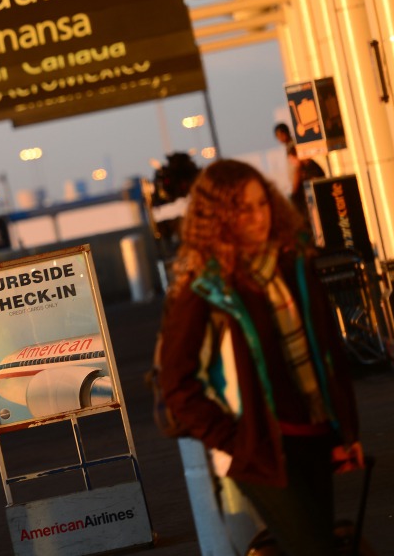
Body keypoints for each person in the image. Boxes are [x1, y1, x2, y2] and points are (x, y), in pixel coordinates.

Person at [157, 159, 361, 556]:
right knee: (314, 548)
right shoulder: (204, 289)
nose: (258, 216)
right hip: (262, 448)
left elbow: (328, 353)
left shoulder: (294, 265)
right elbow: (177, 385)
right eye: (243, 208)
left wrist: (346, 430)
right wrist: (237, 442)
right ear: (217, 217)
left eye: (262, 203)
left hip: (315, 434)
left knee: (318, 545)